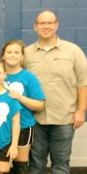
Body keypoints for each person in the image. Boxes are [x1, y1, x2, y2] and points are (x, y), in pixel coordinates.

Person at [23, 10, 87, 174]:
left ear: (56, 25)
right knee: (36, 165)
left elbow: (83, 83)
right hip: (35, 120)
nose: (46, 26)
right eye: (42, 23)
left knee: (61, 164)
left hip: (64, 119)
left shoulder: (73, 51)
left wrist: (80, 111)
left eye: (50, 23)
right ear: (35, 26)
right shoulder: (27, 54)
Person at [0, 40, 45, 174]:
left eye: (16, 52)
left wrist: (20, 97)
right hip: (1, 128)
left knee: (20, 165)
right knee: (1, 165)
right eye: (9, 52)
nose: (12, 55)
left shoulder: (28, 77)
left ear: (22, 56)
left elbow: (40, 105)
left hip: (23, 126)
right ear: (3, 55)